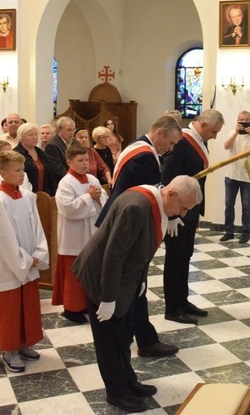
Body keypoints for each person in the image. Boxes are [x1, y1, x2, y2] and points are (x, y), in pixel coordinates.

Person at [73, 175, 201, 413]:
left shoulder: (157, 201)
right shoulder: (137, 206)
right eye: (184, 208)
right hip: (102, 277)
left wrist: (140, 280)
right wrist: (108, 298)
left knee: (125, 332)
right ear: (171, 194)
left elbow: (141, 247)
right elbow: (114, 254)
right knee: (109, 339)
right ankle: (117, 392)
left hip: (125, 278)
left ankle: (129, 381)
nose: (183, 214)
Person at [93, 115, 182, 359]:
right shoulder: (145, 157)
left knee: (135, 286)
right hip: (125, 228)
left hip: (119, 220)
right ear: (161, 133)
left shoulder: (136, 146)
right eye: (171, 143)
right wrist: (170, 215)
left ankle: (141, 337)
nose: (170, 149)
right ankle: (141, 340)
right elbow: (149, 199)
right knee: (132, 285)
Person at [0, 150, 49, 373]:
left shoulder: (26, 196)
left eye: (23, 169)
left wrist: (39, 253)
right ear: (3, 173)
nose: (22, 174)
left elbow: (37, 227)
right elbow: (4, 237)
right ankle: (8, 349)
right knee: (10, 307)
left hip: (29, 260)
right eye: (17, 170)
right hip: (9, 264)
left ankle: (22, 343)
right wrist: (23, 260)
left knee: (26, 304)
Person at [161, 109, 224, 325]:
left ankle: (183, 301)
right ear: (204, 125)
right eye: (214, 131)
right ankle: (172, 307)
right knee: (175, 258)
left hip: (190, 211)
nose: (215, 136)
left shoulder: (199, 141)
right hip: (177, 212)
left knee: (185, 256)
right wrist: (171, 215)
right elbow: (168, 177)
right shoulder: (182, 142)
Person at [53, 145, 105, 323]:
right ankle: (72, 309)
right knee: (74, 272)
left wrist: (98, 197)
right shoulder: (66, 182)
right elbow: (67, 209)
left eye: (86, 160)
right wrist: (89, 197)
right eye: (80, 161)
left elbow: (103, 201)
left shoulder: (92, 178)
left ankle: (88, 305)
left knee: (90, 271)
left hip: (92, 231)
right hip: (74, 234)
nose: (85, 164)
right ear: (69, 162)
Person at [221, 111, 250, 243]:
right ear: (237, 120)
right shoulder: (232, 133)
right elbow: (226, 146)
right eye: (241, 119)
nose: (244, 122)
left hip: (247, 176)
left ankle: (245, 232)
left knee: (247, 206)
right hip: (232, 174)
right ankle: (229, 231)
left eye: (246, 119)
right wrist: (236, 133)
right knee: (229, 205)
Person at [44, 116, 77, 196]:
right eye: (69, 130)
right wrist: (75, 181)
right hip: (61, 185)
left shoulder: (75, 143)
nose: (72, 133)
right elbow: (58, 169)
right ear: (59, 130)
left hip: (74, 181)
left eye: (73, 130)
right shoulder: (52, 145)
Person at [13, 123, 48, 193]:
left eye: (36, 135)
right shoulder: (16, 154)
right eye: (30, 135)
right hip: (25, 192)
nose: (34, 137)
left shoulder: (41, 153)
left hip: (43, 194)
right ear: (21, 137)